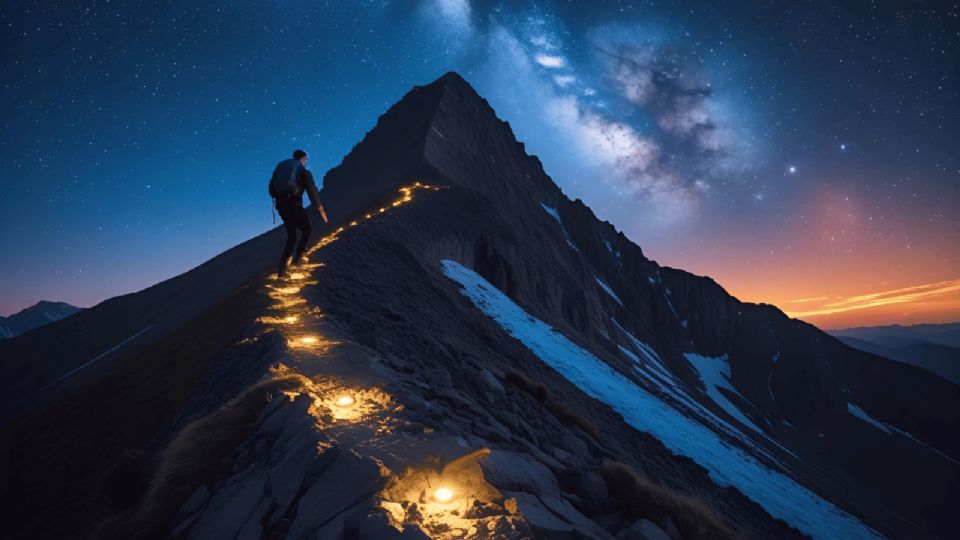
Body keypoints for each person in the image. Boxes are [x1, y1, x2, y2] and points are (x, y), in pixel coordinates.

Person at [269, 149, 328, 278]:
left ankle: (282, 270)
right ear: (302, 159)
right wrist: (320, 209)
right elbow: (312, 192)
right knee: (307, 230)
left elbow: (271, 189)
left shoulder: (283, 168)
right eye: (306, 159)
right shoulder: (304, 172)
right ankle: (298, 260)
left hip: (281, 206)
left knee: (292, 236)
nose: (306, 162)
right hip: (294, 205)